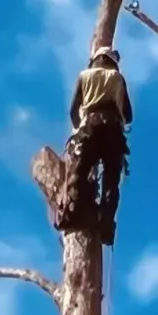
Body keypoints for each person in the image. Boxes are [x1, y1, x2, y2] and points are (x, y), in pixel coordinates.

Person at [66, 44, 132, 240]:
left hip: (90, 127)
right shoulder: (117, 78)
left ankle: (73, 212)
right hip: (113, 129)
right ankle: (105, 225)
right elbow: (128, 115)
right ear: (112, 61)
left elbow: (73, 109)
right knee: (111, 181)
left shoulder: (84, 76)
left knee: (80, 171)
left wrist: (79, 131)